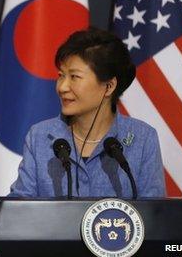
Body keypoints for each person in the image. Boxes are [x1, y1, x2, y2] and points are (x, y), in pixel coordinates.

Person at [9, 28, 166, 198]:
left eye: (74, 77)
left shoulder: (142, 138)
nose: (62, 87)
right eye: (61, 76)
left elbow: (155, 214)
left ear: (109, 86)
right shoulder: (39, 136)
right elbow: (18, 207)